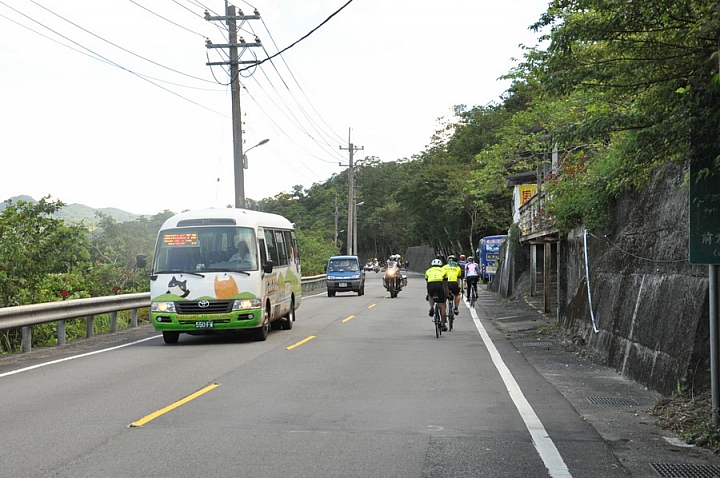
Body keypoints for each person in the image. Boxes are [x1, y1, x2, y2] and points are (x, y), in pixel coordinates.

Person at [425, 258, 449, 331]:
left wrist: (428, 294)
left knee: (430, 295)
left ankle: (431, 307)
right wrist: (447, 293)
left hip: (431, 284)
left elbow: (427, 282)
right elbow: (445, 284)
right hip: (439, 284)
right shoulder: (443, 270)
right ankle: (443, 324)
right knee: (442, 305)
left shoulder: (428, 271)